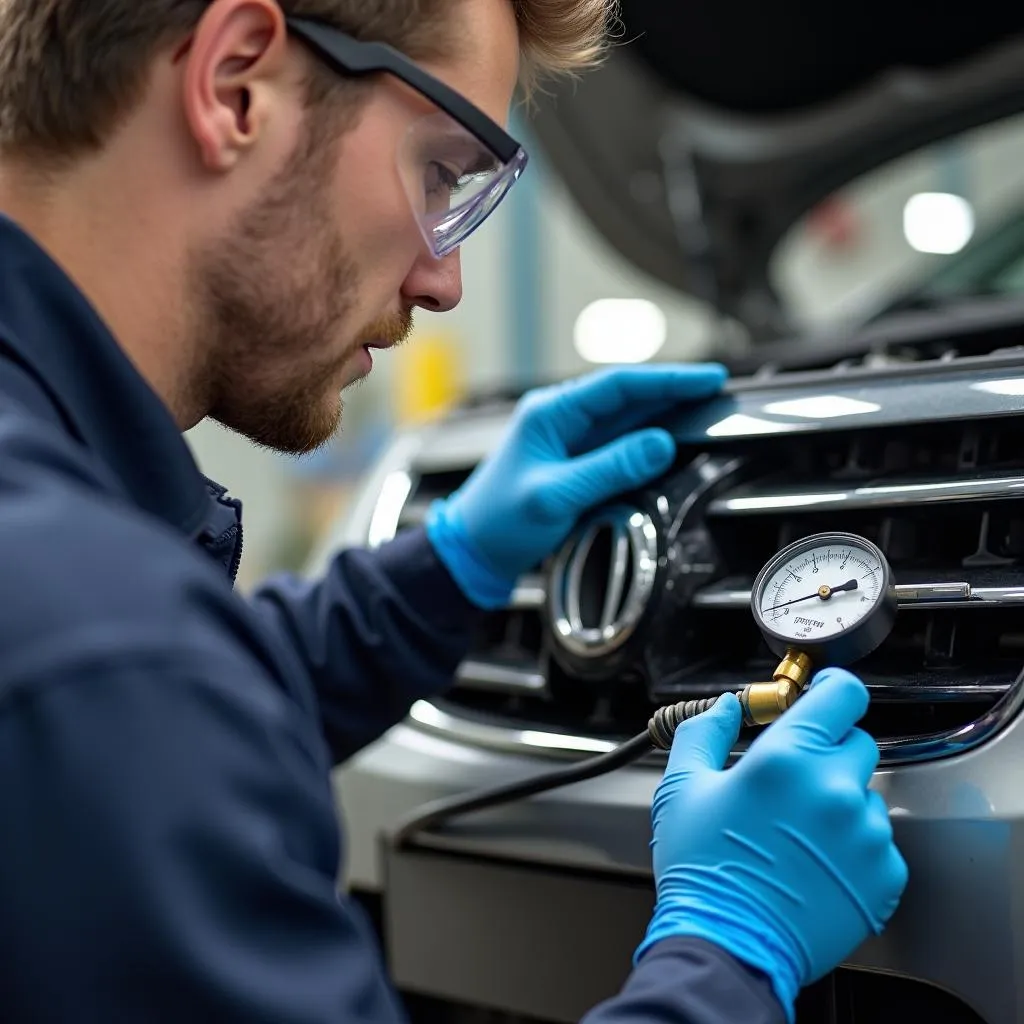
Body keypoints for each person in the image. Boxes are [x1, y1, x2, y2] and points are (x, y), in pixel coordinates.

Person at [0, 1, 908, 1022]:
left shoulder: (80, 629)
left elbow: (148, 730)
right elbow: (122, 696)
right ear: (234, 85)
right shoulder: (94, 653)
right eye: (441, 172)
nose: (443, 281)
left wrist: (453, 565)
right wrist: (728, 956)